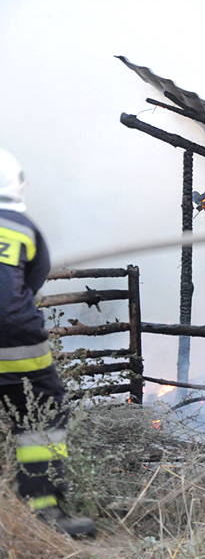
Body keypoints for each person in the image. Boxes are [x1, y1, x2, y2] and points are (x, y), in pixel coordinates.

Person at [0, 148, 96, 537]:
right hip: (17, 343)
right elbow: (30, 285)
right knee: (41, 417)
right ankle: (43, 516)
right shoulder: (21, 227)